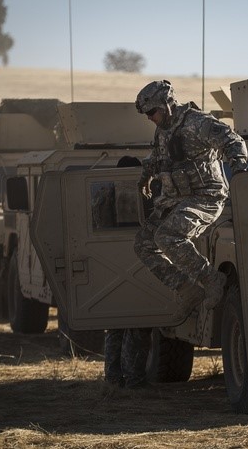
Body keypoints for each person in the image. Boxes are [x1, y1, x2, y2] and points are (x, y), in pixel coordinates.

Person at [133, 80, 248, 319]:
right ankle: (187, 289)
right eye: (146, 113)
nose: (149, 117)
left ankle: (212, 279)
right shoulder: (163, 129)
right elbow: (156, 157)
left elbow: (232, 140)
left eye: (152, 111)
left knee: (168, 236)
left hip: (205, 197)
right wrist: (145, 178)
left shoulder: (197, 122)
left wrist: (239, 170)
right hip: (176, 199)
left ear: (166, 104)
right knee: (143, 244)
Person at [103, 156, 153, 389]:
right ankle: (134, 378)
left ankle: (114, 378)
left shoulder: (104, 195)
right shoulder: (142, 196)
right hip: (136, 263)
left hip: (110, 264)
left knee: (116, 325)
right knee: (137, 325)